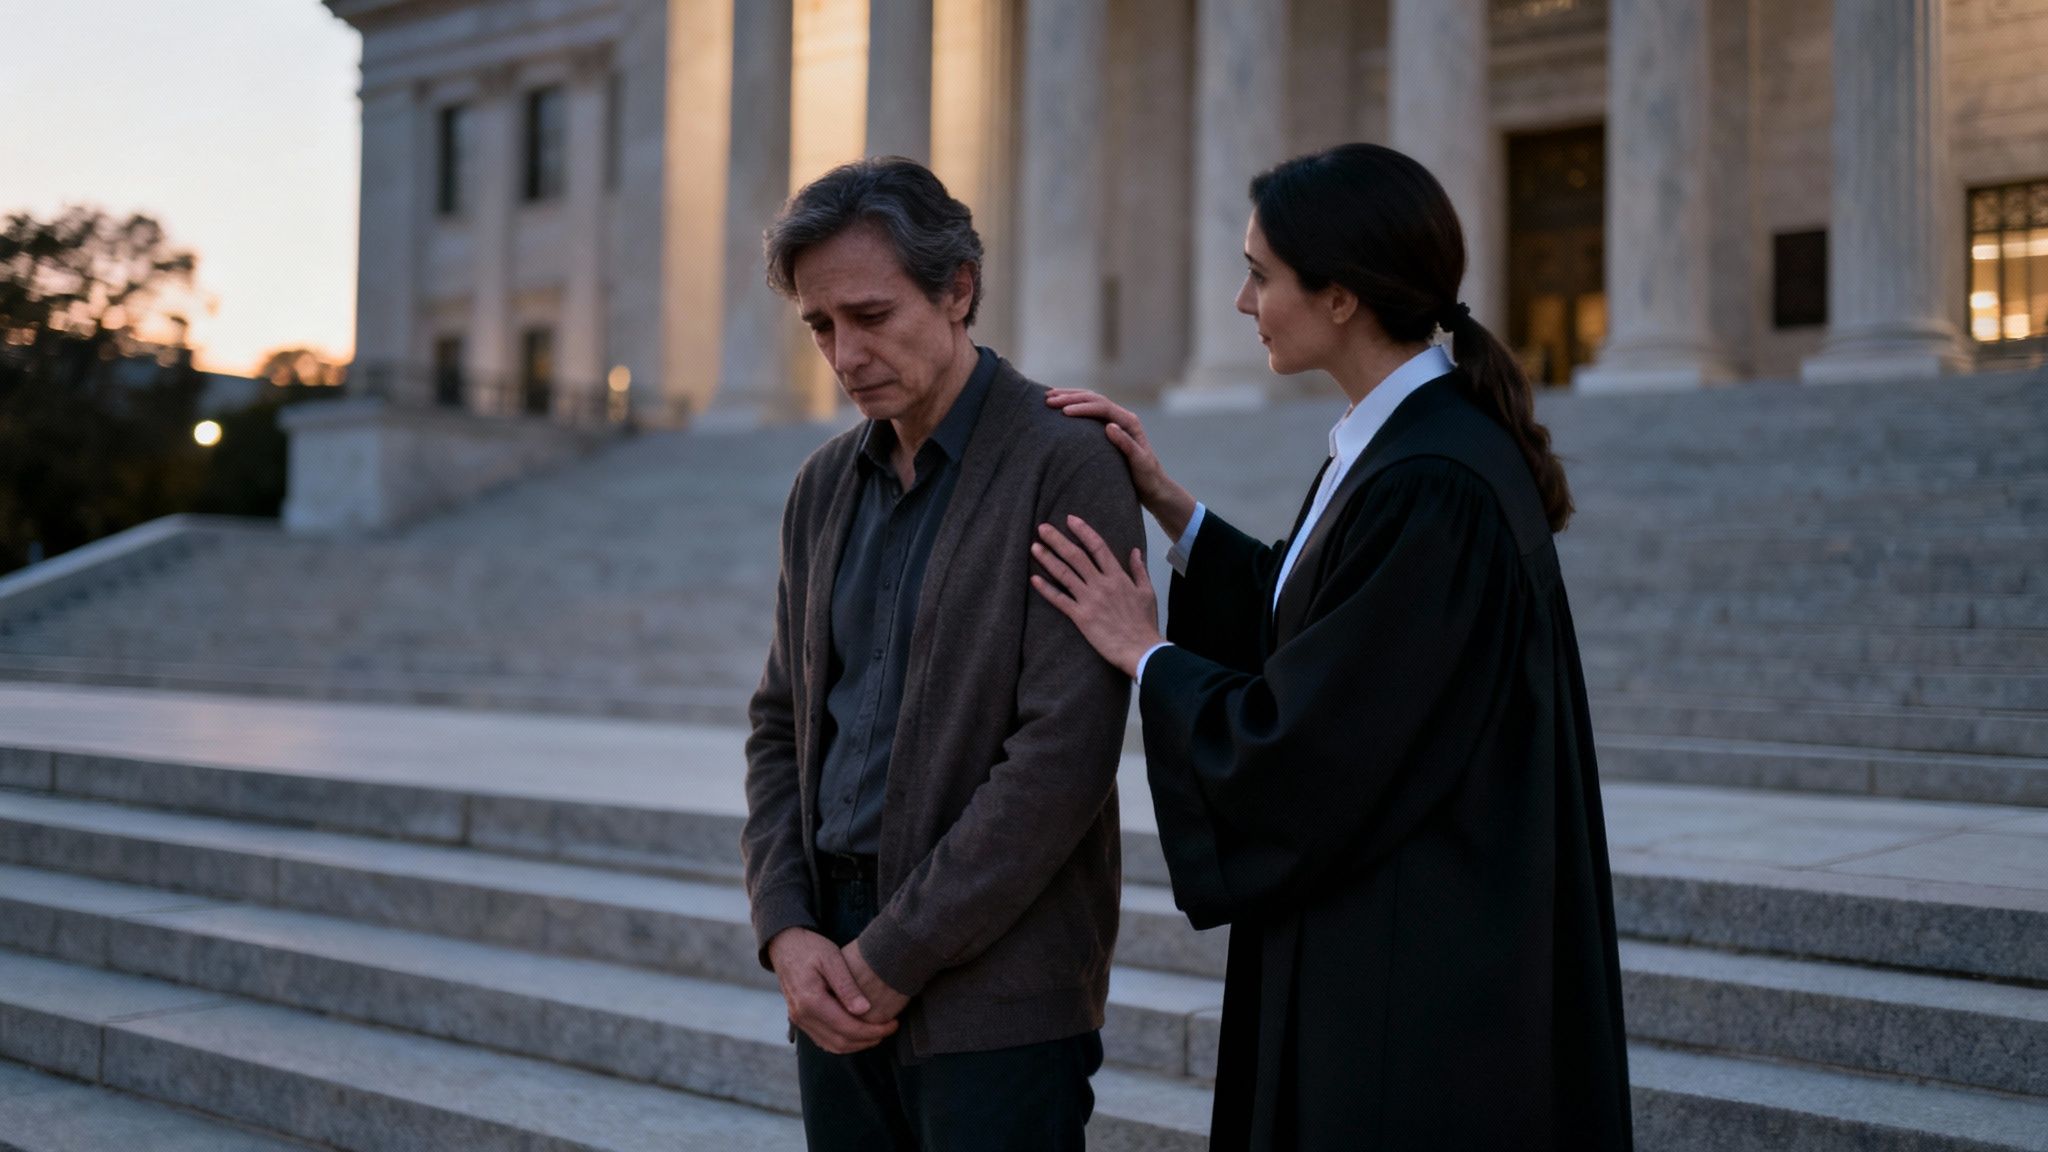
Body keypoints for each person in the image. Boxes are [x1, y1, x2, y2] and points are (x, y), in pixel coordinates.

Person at [1029, 143, 1633, 1150]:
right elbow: (1328, 622)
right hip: (1405, 928)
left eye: (1260, 274)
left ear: (1341, 297)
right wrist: (1172, 509)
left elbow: (1312, 734)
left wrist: (1147, 656)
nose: (1239, 301)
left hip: (1414, 974)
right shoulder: (1408, 442)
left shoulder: (1430, 482)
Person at [740, 156, 1143, 1152]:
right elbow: (780, 725)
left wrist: (894, 954)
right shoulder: (820, 483)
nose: (843, 354)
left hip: (998, 985)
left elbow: (1060, 758)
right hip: (829, 962)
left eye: (870, 317)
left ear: (956, 288)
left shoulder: (1064, 462)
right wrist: (787, 930)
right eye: (820, 326)